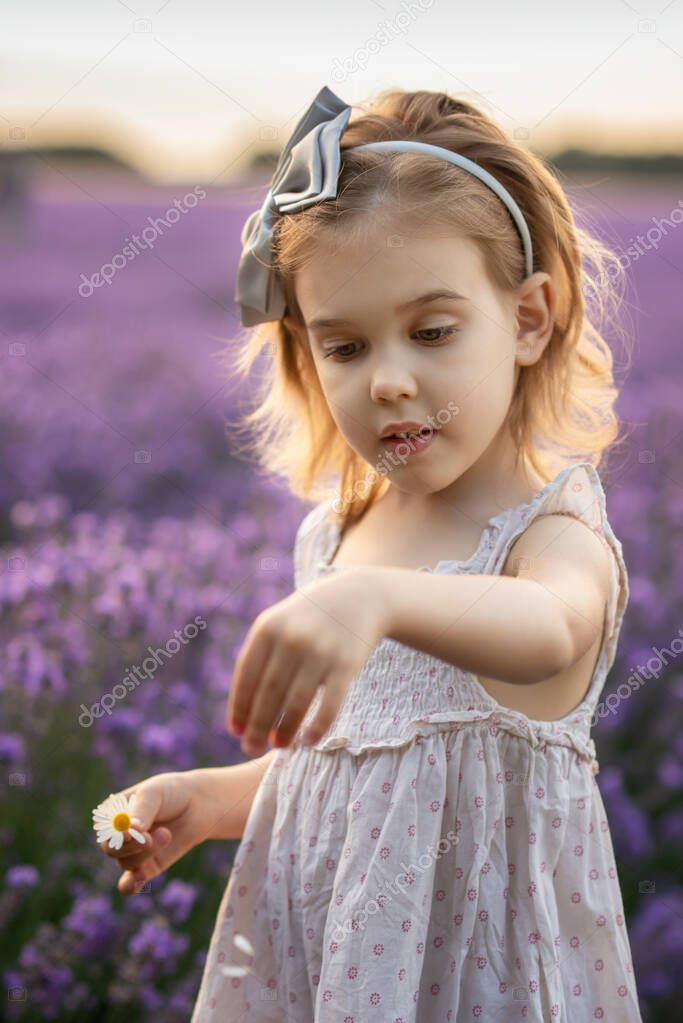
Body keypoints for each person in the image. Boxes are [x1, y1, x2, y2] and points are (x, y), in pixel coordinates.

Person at [96, 84, 643, 1021]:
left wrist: (378, 601)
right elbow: (359, 758)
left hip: (475, 978)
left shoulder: (549, 533)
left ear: (527, 318)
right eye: (344, 346)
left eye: (432, 332)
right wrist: (211, 798)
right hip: (329, 964)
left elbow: (553, 629)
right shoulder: (336, 534)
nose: (389, 380)